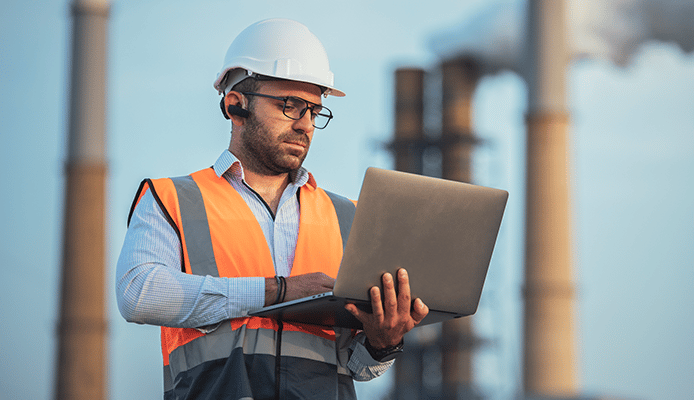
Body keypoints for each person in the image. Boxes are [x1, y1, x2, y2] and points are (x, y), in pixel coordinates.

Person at [116, 18, 428, 400]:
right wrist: (278, 291)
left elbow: (354, 367)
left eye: (314, 111)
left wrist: (383, 344)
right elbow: (138, 293)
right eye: (290, 106)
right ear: (235, 104)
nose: (305, 125)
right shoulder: (173, 200)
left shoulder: (347, 217)